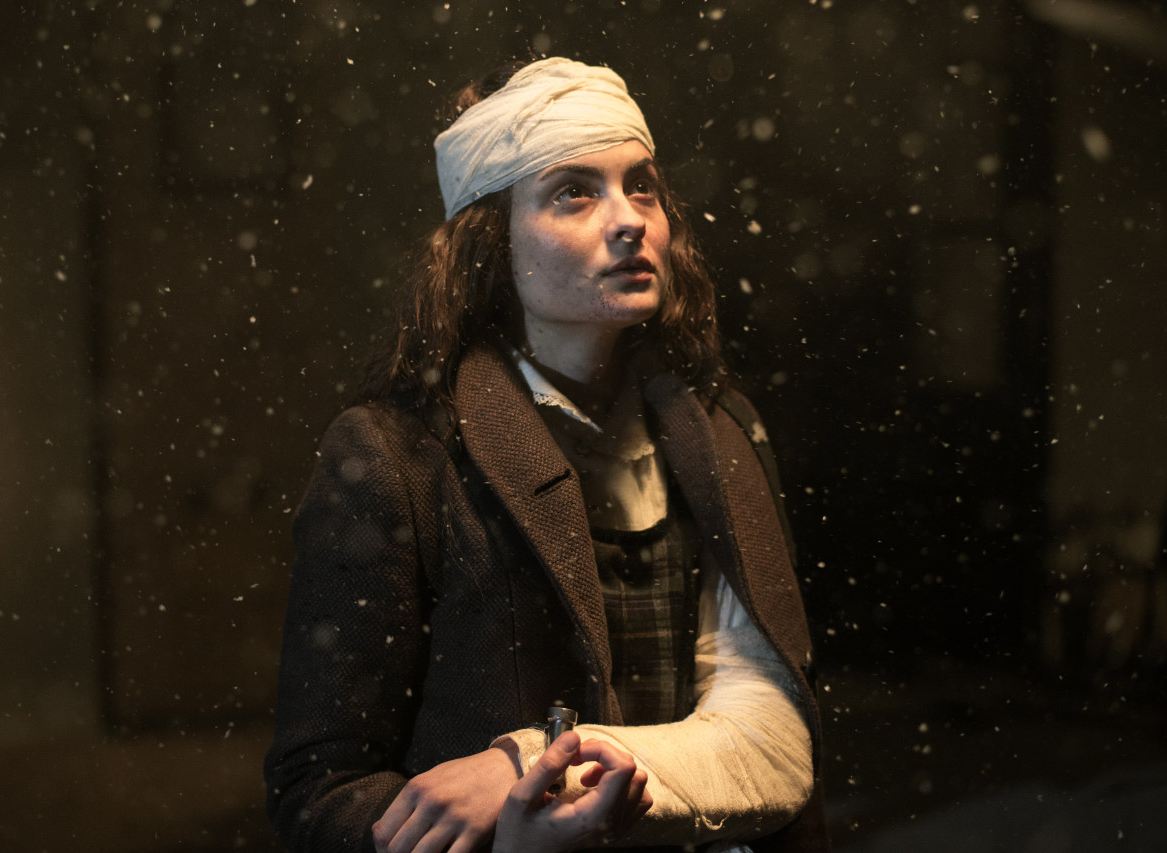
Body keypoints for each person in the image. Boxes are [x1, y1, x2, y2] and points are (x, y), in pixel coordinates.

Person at [264, 56, 827, 853]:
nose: (629, 220)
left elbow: (771, 742)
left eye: (642, 186)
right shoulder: (395, 456)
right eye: (574, 192)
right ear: (491, 241)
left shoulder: (720, 431)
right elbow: (320, 789)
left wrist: (529, 764)